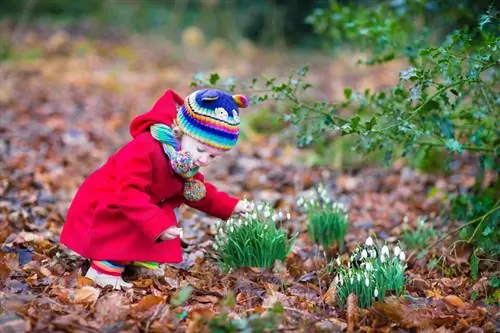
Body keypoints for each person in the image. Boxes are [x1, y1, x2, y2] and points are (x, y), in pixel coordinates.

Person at [60, 88, 254, 289]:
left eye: (213, 156)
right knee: (144, 216)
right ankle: (104, 268)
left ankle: (136, 256)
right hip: (106, 204)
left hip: (135, 202)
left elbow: (196, 190)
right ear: (181, 131)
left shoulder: (183, 160)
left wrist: (232, 206)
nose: (204, 160)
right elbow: (128, 194)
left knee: (162, 211)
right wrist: (157, 224)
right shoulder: (146, 148)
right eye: (201, 150)